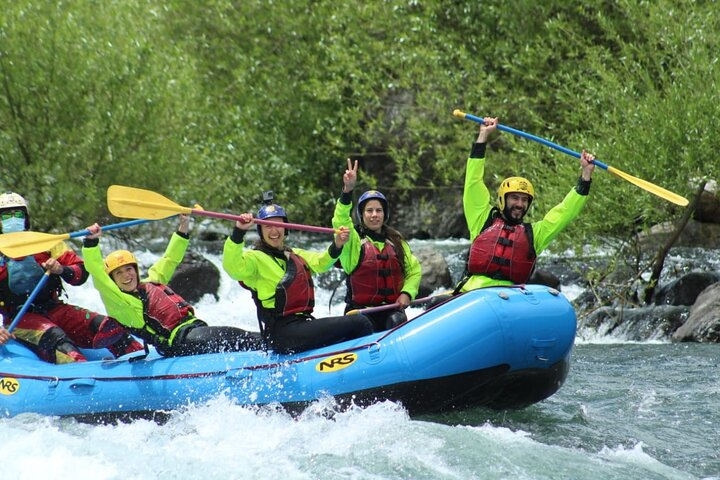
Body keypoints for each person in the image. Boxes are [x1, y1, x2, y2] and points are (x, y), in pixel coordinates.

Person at [82, 215, 263, 357]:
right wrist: (91, 243)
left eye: (128, 269)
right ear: (112, 280)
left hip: (192, 330)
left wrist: (183, 226)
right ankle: (276, 348)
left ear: (136, 270)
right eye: (118, 273)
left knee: (235, 336)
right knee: (239, 338)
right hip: (177, 342)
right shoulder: (118, 302)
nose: (126, 276)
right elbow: (97, 272)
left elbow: (170, 258)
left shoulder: (152, 280)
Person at [456, 117, 596, 293]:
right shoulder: (481, 219)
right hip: (474, 294)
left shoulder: (534, 234)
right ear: (502, 199)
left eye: (524, 200)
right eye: (514, 198)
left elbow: (565, 212)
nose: (520, 204)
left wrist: (585, 175)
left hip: (512, 296)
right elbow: (473, 182)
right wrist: (483, 136)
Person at [0, 192, 143, 363]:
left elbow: (81, 273)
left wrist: (61, 269)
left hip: (55, 308)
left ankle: (145, 364)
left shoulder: (47, 243)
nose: (13, 219)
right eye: (7, 215)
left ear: (26, 218)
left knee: (110, 328)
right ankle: (85, 378)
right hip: (20, 319)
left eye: (18, 214)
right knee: (59, 341)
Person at [222, 199, 374, 354]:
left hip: (301, 325)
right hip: (282, 333)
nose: (274, 231)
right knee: (359, 323)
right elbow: (232, 267)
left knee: (355, 325)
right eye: (268, 226)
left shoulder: (294, 254)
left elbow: (322, 263)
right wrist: (238, 232)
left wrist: (338, 244)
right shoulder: (254, 259)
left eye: (279, 225)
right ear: (260, 231)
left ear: (286, 229)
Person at [331, 159, 422, 331]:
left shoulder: (396, 241)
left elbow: (414, 271)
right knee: (364, 326)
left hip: (391, 311)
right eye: (369, 210)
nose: (374, 215)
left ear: (384, 214)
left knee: (397, 321)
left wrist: (407, 293)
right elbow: (340, 221)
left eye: (378, 210)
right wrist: (347, 191)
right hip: (360, 313)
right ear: (362, 214)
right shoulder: (353, 241)